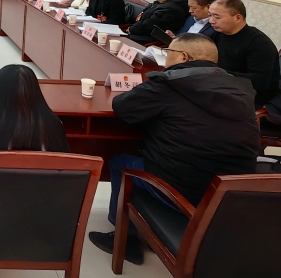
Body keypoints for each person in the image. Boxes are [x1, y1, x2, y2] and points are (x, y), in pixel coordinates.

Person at [88, 34, 260, 265]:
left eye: (168, 52)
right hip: (231, 196)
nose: (165, 57)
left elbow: (122, 106)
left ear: (183, 57)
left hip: (184, 193)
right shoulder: (240, 88)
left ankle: (126, 239)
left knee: (120, 162)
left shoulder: (169, 83)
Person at [209, 0, 281, 107]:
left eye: (217, 17)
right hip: (222, 87)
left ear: (238, 17)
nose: (211, 21)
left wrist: (218, 73)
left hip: (250, 97)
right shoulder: (217, 34)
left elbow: (260, 82)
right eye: (210, 15)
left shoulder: (259, 43)